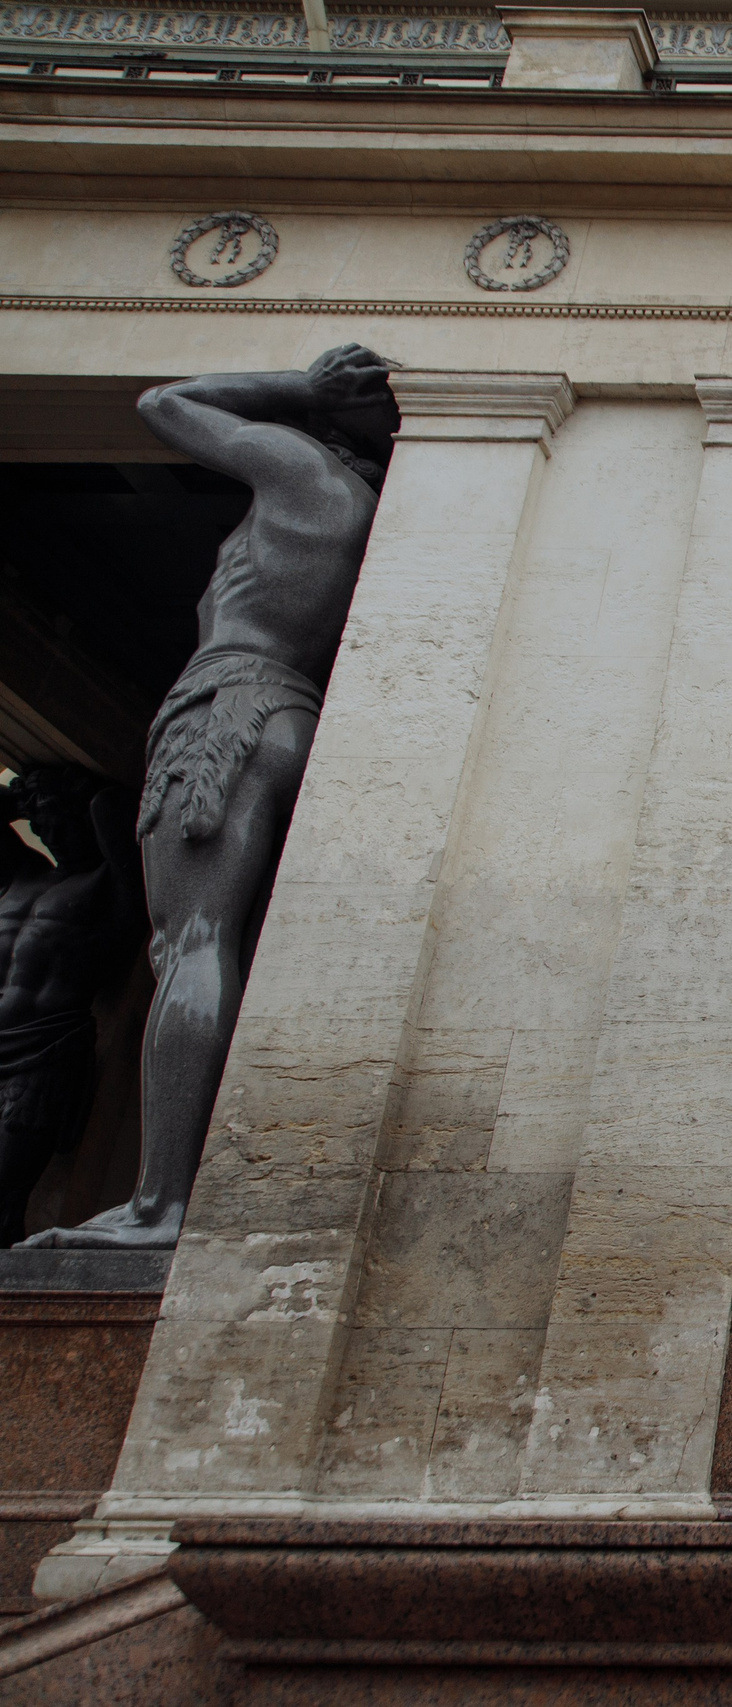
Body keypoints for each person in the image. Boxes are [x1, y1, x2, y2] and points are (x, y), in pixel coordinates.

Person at [29, 345, 396, 1249]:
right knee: (225, 944)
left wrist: (302, 389)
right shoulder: (368, 509)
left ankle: (159, 1204)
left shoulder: (299, 468)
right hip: (291, 709)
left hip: (227, 704)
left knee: (190, 942)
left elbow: (165, 401)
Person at [0, 769, 143, 1245]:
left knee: (5, 1187)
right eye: (42, 824)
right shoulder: (24, 877)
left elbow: (112, 806)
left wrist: (78, 792)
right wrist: (29, 798)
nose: (51, 833)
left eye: (62, 820)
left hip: (42, 1050)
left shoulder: (110, 881)